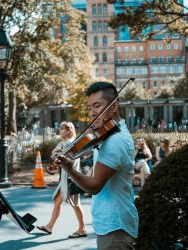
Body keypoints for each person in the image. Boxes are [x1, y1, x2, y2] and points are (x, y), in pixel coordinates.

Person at [56, 82, 138, 249]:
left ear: (114, 106)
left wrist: (69, 168)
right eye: (89, 107)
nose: (92, 112)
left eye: (97, 106)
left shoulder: (115, 141)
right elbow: (89, 149)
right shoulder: (107, 134)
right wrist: (71, 151)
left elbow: (94, 187)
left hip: (115, 227)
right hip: (111, 224)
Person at [37, 121, 87, 238]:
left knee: (75, 204)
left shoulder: (69, 144)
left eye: (62, 128)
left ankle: (82, 228)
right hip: (66, 179)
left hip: (70, 179)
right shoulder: (66, 144)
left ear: (69, 130)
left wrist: (57, 156)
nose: (60, 131)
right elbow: (55, 156)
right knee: (58, 201)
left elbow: (62, 158)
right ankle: (50, 226)